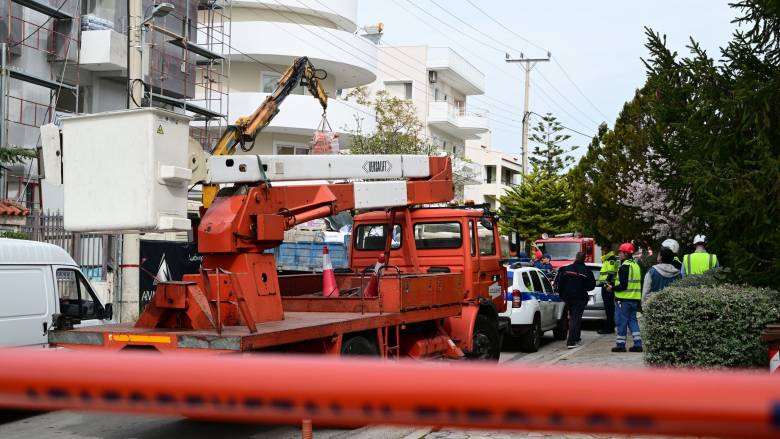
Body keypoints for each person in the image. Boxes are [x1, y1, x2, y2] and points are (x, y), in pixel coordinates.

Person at [554, 252, 596, 349]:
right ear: (584, 259)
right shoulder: (586, 271)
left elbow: (558, 284)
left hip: (568, 298)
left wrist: (563, 295)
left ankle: (576, 337)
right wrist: (582, 288)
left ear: (576, 258)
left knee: (573, 317)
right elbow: (591, 285)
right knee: (575, 318)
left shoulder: (565, 269)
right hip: (580, 298)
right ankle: (571, 342)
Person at [606, 242, 643, 353]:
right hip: (634, 299)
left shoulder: (624, 267)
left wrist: (611, 288)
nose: (619, 254)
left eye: (621, 252)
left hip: (623, 299)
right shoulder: (636, 265)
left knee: (621, 321)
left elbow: (623, 286)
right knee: (632, 321)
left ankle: (620, 345)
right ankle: (638, 344)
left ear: (626, 254)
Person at [597, 245, 619, 335]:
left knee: (609, 308)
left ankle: (609, 327)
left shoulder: (611, 259)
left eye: (602, 249)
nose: (601, 251)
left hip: (608, 287)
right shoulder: (608, 259)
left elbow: (610, 273)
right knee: (608, 308)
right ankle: (610, 326)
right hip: (607, 286)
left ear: (606, 250)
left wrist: (606, 284)